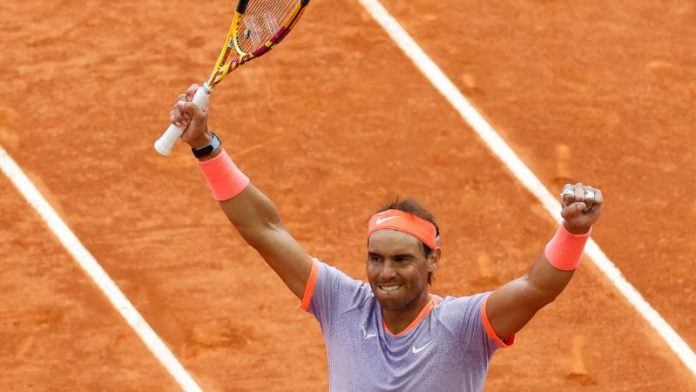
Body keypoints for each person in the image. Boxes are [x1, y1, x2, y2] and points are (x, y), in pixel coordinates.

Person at [169, 84, 604, 391]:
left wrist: (574, 230)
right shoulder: (341, 303)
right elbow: (265, 230)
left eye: (401, 260)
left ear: (433, 260)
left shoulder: (464, 327)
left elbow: (537, 287)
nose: (385, 272)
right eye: (376, 258)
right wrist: (205, 145)